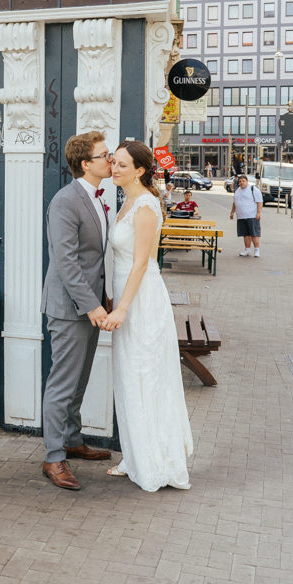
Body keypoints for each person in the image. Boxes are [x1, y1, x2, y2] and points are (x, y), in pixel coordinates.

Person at [99, 141, 193, 491]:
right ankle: (136, 455)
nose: (115, 168)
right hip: (126, 293)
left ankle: (156, 460)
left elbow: (141, 262)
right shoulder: (126, 201)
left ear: (139, 170)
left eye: (122, 164)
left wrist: (122, 307)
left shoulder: (146, 205)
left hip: (142, 301)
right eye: (114, 162)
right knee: (130, 377)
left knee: (147, 376)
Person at [38, 131, 114, 491]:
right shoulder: (65, 201)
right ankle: (54, 457)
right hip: (70, 309)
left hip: (91, 306)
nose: (110, 160)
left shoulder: (98, 197)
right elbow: (65, 263)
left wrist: (105, 298)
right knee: (62, 384)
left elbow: (95, 258)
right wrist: (93, 305)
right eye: (104, 155)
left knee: (79, 380)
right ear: (86, 164)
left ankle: (72, 439)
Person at [229, 174, 263, 257]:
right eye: (240, 181)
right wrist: (232, 212)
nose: (241, 183)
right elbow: (234, 203)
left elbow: (259, 201)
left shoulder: (253, 189)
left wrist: (258, 213)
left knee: (254, 234)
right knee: (245, 234)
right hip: (241, 216)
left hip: (252, 215)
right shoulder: (237, 191)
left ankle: (257, 250)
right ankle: (247, 250)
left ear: (247, 181)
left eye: (243, 181)